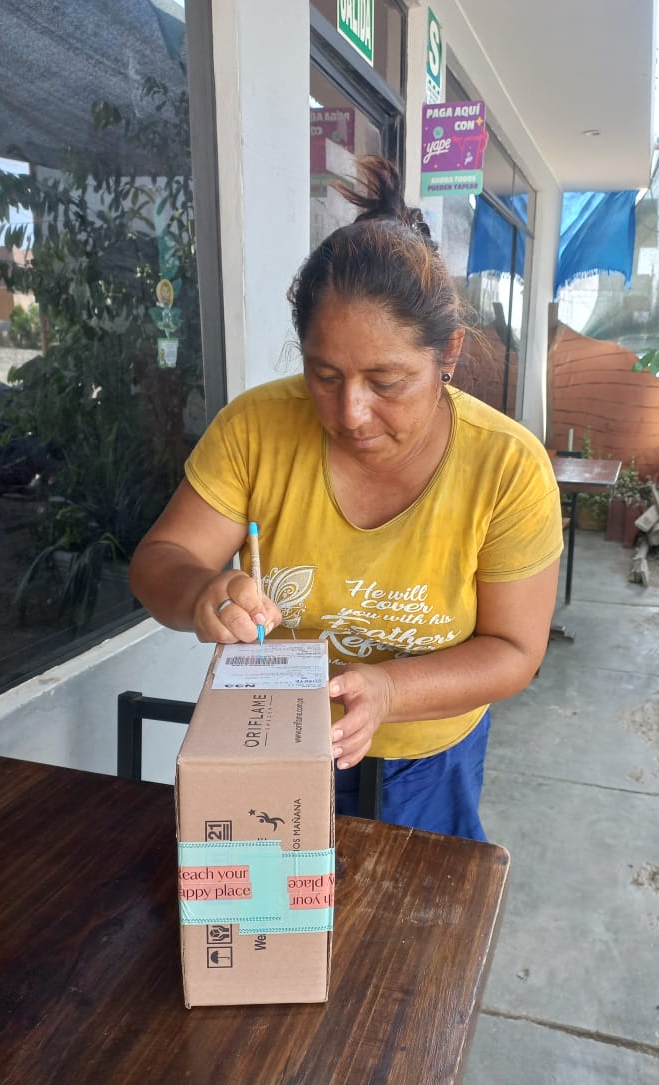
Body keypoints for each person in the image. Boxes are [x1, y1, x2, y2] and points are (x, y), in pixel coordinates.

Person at [129, 156, 562, 840]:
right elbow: (161, 559)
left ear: (448, 354)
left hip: (425, 755)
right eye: (324, 376)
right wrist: (201, 591)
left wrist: (391, 691)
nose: (351, 412)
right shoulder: (256, 429)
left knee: (413, 908)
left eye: (386, 382)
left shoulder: (506, 467)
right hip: (273, 736)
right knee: (267, 903)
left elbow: (514, 649)